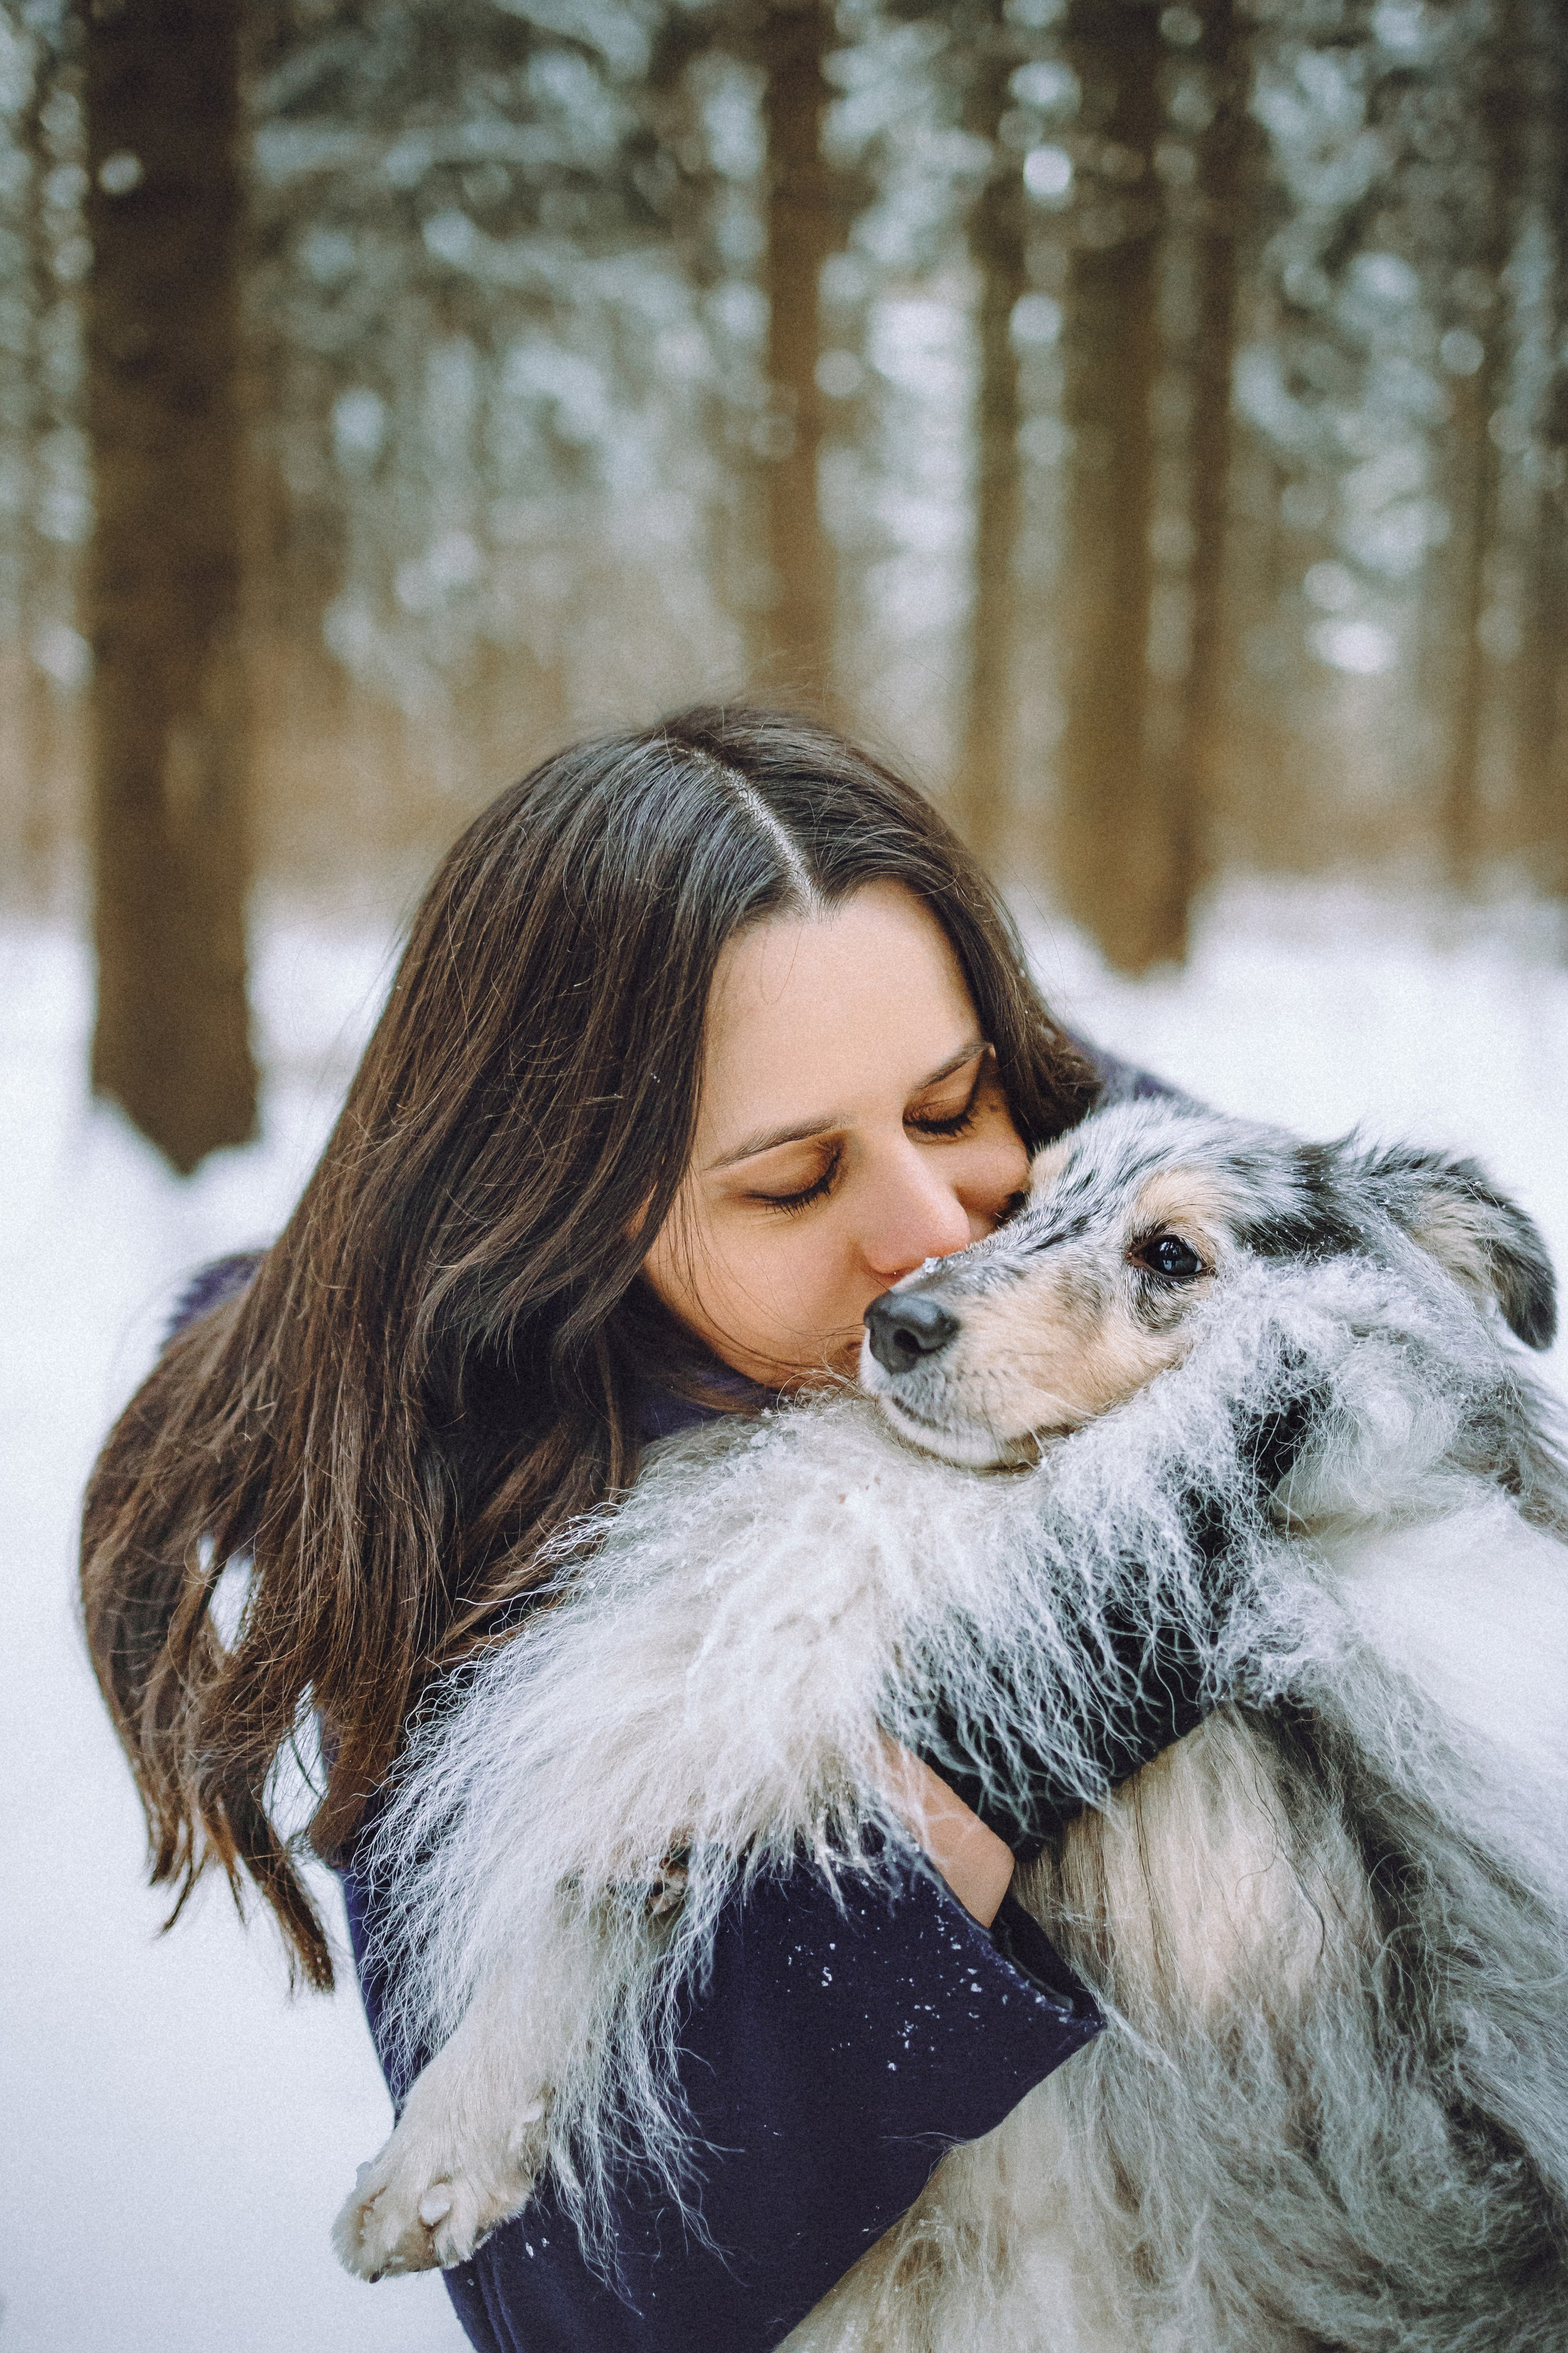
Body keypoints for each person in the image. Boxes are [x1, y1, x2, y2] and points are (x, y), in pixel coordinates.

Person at [81, 708, 1204, 2353]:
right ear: (580, 1214)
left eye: (952, 1105)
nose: (930, 1234)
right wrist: (994, 1751)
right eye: (793, 1181)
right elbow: (581, 2299)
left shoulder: (1115, 1204)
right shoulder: (457, 1505)